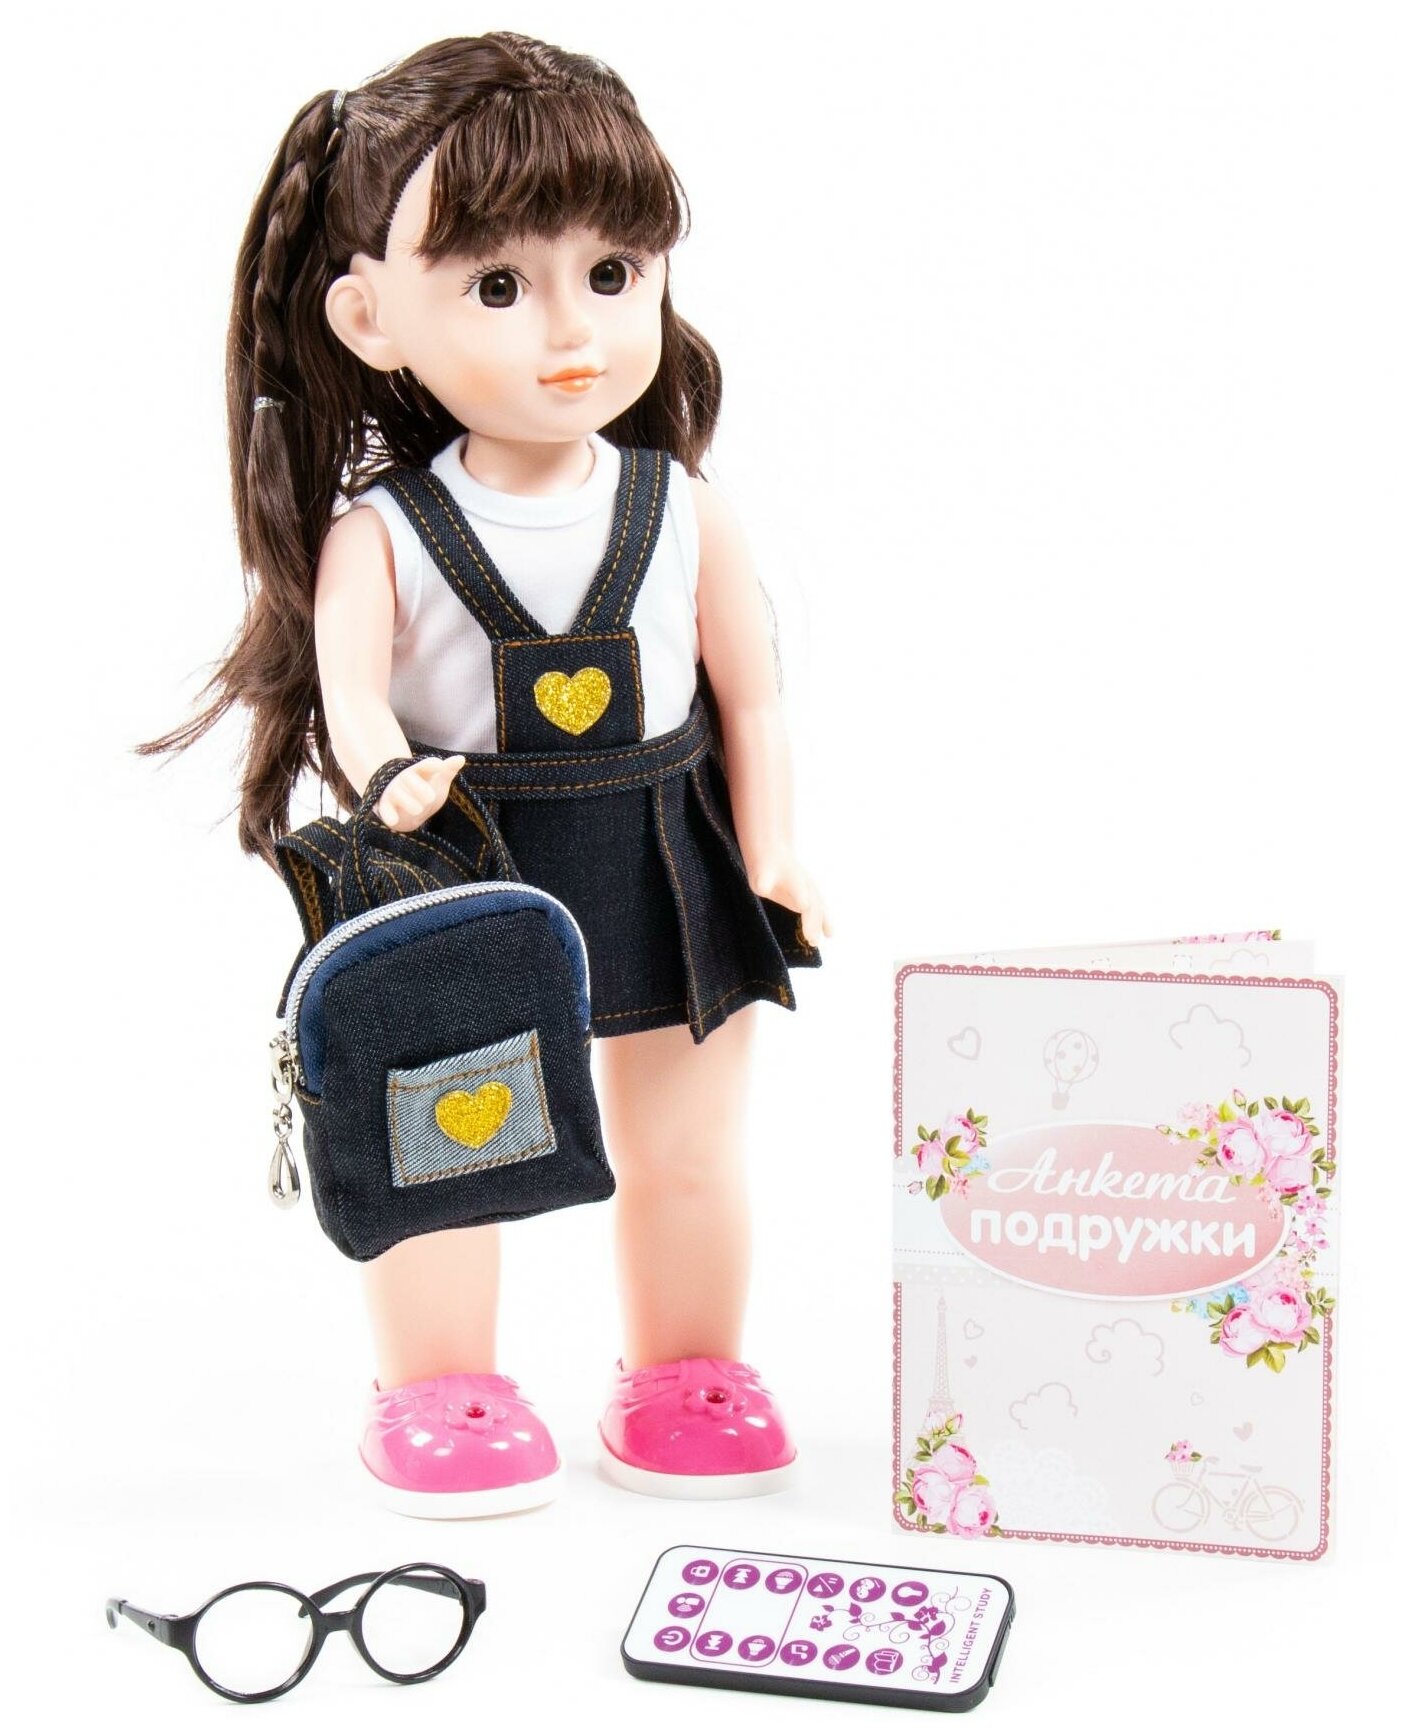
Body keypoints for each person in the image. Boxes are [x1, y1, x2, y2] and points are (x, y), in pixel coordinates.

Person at [149, 32, 827, 1515]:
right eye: (499, 288)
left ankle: (687, 1369)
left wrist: (771, 852)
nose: (571, 329)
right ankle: (440, 1382)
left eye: (612, 272)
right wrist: (390, 774)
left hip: (667, 853)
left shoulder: (685, 511)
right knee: (450, 1142)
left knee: (689, 1149)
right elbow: (352, 699)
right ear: (370, 317)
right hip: (466, 865)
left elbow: (754, 699)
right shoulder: (383, 535)